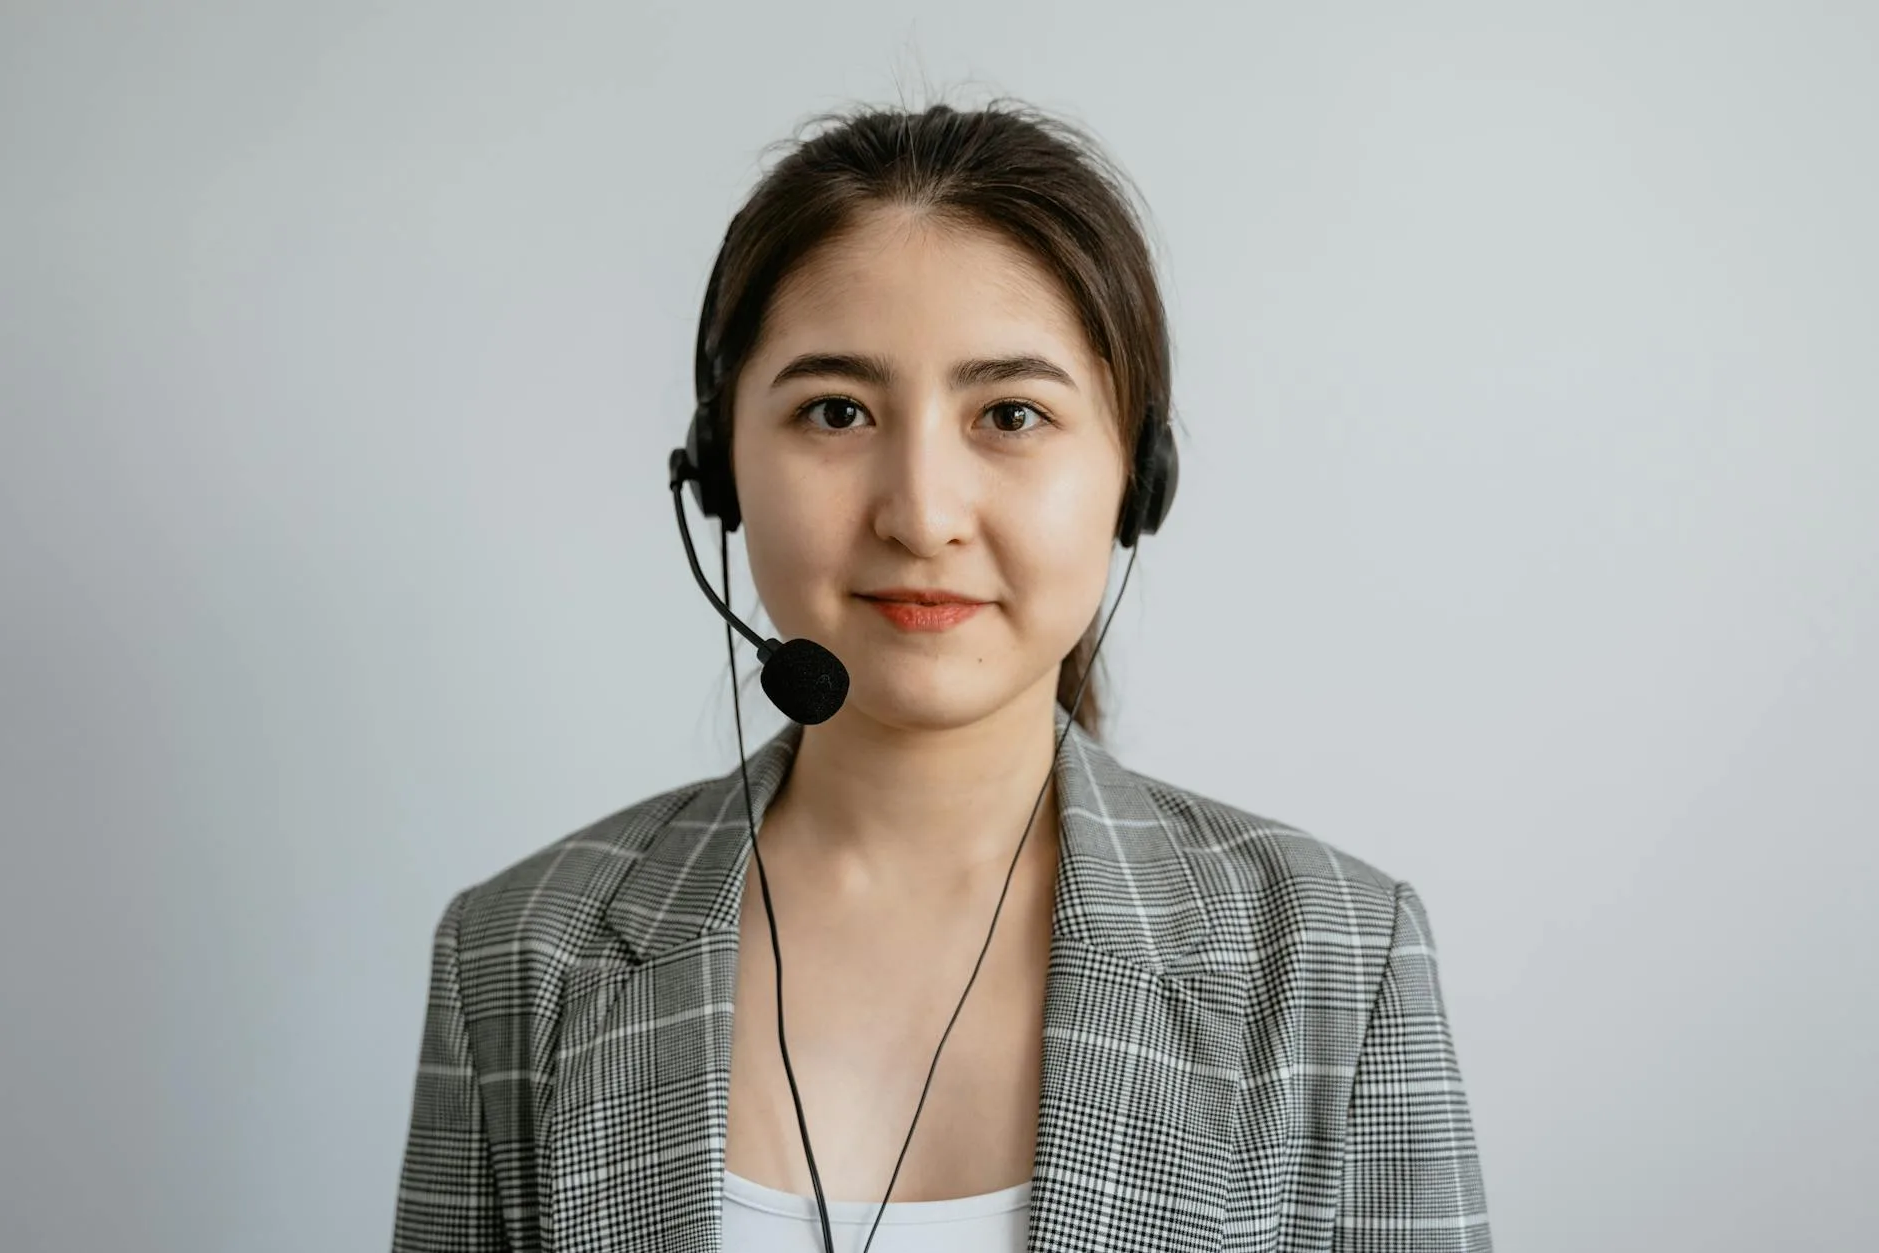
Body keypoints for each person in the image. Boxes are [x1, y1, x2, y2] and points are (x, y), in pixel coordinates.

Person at [391, 99, 1491, 1253]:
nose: (920, 513)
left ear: (1136, 476)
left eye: (1010, 413)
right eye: (836, 410)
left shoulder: (1333, 959)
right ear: (718, 472)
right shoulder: (520, 953)